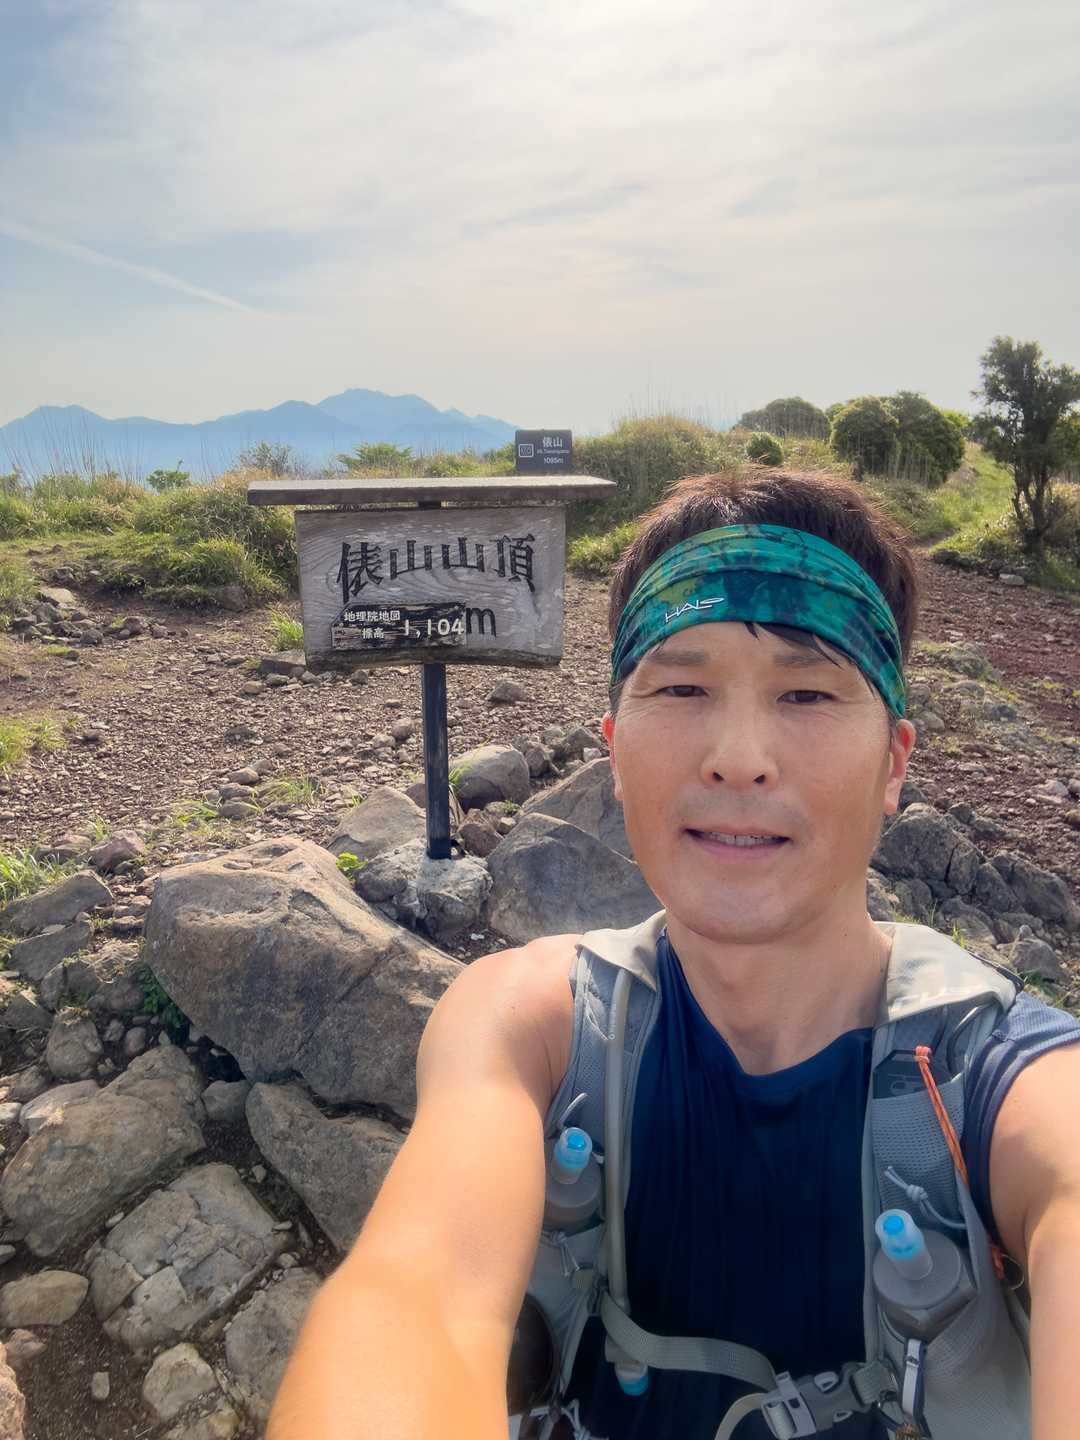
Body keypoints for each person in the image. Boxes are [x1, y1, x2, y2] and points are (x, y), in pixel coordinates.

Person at [266, 468, 1080, 1440]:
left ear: (894, 762)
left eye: (808, 692)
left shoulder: (1008, 1084)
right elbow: (419, 1301)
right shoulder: (530, 1026)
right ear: (614, 747)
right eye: (683, 687)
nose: (739, 756)